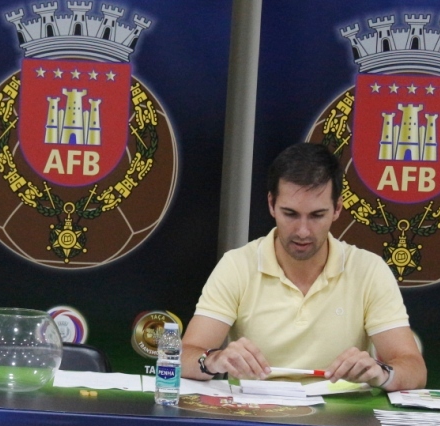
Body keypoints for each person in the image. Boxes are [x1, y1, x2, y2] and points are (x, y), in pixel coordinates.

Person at [181, 143, 426, 390]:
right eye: (290, 214)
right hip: (254, 415)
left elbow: (414, 369)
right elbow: (185, 355)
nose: (302, 231)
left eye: (317, 215)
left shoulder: (368, 270)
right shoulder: (237, 265)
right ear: (271, 204)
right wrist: (213, 360)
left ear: (337, 209)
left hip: (341, 419)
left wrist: (381, 373)